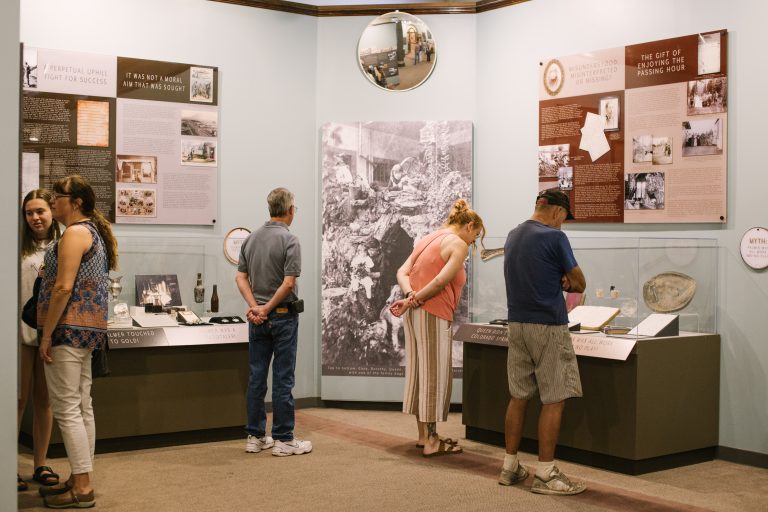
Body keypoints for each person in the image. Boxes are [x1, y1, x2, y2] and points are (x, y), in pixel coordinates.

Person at [37, 175, 118, 508]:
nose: (54, 200)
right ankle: (80, 475)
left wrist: (46, 334)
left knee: (68, 408)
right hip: (86, 331)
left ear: (77, 202)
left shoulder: (74, 233)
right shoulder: (92, 233)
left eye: (59, 196)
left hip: (67, 330)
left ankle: (82, 487)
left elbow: (62, 287)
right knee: (82, 406)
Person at [499, 189, 586, 495]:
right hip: (547, 325)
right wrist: (566, 278)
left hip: (517, 323)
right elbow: (579, 282)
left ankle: (510, 466)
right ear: (559, 212)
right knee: (554, 397)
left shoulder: (513, 234)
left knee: (519, 395)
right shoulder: (555, 237)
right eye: (565, 219)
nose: (563, 224)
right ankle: (546, 473)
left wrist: (557, 276)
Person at [390, 199, 485, 457]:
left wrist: (410, 297)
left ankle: (424, 436)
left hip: (415, 314)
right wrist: (415, 299)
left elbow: (402, 272)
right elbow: (442, 281)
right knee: (434, 375)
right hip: (433, 313)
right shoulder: (458, 244)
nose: (473, 242)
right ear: (468, 226)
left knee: (420, 372)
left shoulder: (429, 237)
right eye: (475, 236)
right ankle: (432, 441)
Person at [236, 187, 312, 457]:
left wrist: (255, 307)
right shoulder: (291, 241)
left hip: (257, 320)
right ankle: (283, 438)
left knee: (257, 377)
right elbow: (289, 282)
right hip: (282, 317)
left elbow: (240, 277)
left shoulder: (251, 239)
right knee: (283, 378)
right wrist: (268, 307)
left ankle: (255, 436)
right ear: (290, 210)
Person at [18, 189, 61, 492]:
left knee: (44, 401)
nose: (35, 217)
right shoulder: (15, 248)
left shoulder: (62, 246)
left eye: (40, 211)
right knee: (17, 400)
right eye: (29, 212)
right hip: (18, 334)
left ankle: (40, 464)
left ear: (51, 212)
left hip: (49, 335)